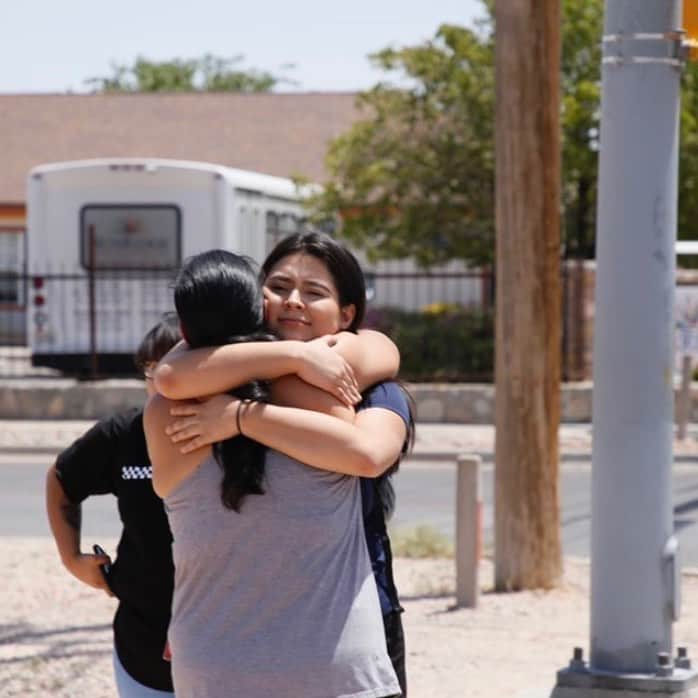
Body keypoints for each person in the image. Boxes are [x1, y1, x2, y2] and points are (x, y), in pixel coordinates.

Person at [154, 232, 415, 695]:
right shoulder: (208, 382)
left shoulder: (354, 379)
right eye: (278, 287)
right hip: (313, 659)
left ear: (346, 315)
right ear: (256, 300)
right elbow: (173, 374)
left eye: (314, 293)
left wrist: (240, 417)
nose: (293, 301)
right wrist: (295, 355)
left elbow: (369, 453)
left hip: (351, 618)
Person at [45, 314, 181, 698]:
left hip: (225, 646)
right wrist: (73, 559)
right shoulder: (123, 435)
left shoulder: (234, 433)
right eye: (154, 370)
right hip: (142, 649)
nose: (164, 383)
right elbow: (61, 480)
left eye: (178, 368)